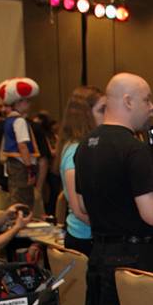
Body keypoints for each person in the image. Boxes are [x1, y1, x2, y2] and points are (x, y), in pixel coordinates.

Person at [75, 73, 153, 305]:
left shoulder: (85, 146)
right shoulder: (135, 149)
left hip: (99, 257)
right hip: (138, 264)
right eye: (146, 100)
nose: (152, 107)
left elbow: (84, 206)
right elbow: (152, 214)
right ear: (127, 101)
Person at [57, 86, 106, 256]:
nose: (107, 115)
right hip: (85, 239)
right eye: (102, 110)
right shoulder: (75, 150)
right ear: (85, 115)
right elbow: (78, 210)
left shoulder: (84, 146)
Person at [0, 77, 40, 208]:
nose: (30, 104)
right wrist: (30, 168)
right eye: (28, 101)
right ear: (19, 102)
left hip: (13, 164)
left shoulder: (9, 119)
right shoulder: (19, 121)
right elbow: (22, 145)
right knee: (23, 197)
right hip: (21, 164)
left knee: (16, 193)